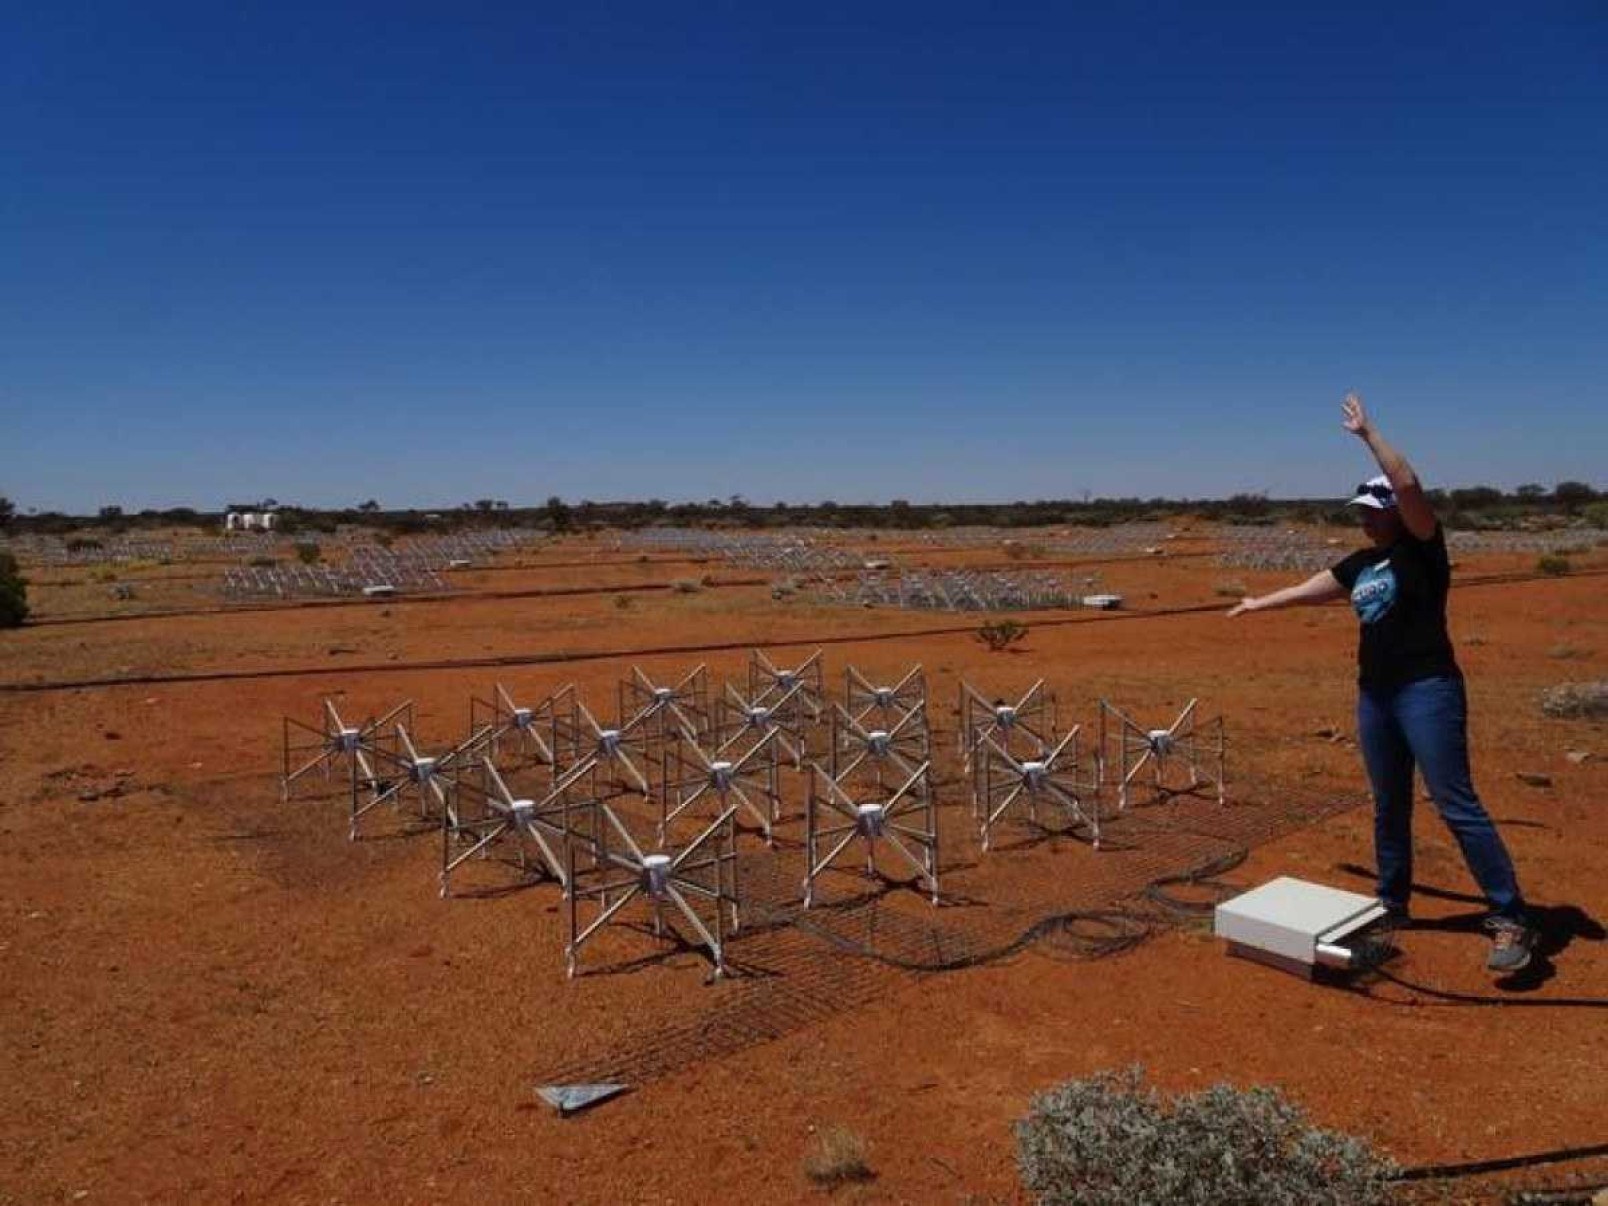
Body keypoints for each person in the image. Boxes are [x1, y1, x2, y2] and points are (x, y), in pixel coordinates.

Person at [1227, 392, 1536, 973]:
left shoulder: (1422, 548)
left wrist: (1370, 435)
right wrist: (1256, 603)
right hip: (1377, 696)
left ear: (1395, 511)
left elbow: (1411, 484)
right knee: (1388, 803)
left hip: (1428, 690)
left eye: (1373, 509)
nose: (1365, 518)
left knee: (1454, 801)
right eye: (1361, 511)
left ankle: (1510, 916)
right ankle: (1393, 901)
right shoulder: (1360, 564)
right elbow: (1310, 590)